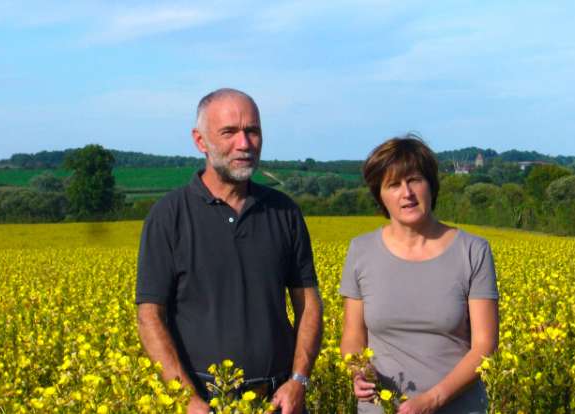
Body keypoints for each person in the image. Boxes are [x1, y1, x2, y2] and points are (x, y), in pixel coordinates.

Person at [136, 88, 323, 414]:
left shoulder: (284, 212)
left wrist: (299, 381)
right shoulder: (169, 216)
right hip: (202, 403)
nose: (245, 144)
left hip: (279, 401)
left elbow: (308, 305)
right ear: (200, 141)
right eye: (229, 132)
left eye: (253, 131)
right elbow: (149, 316)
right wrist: (186, 399)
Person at [339, 135, 499, 414]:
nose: (407, 193)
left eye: (414, 180)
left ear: (431, 186)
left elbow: (485, 346)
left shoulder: (473, 251)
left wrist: (433, 400)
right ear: (380, 195)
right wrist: (357, 370)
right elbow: (353, 335)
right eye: (393, 184)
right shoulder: (360, 250)